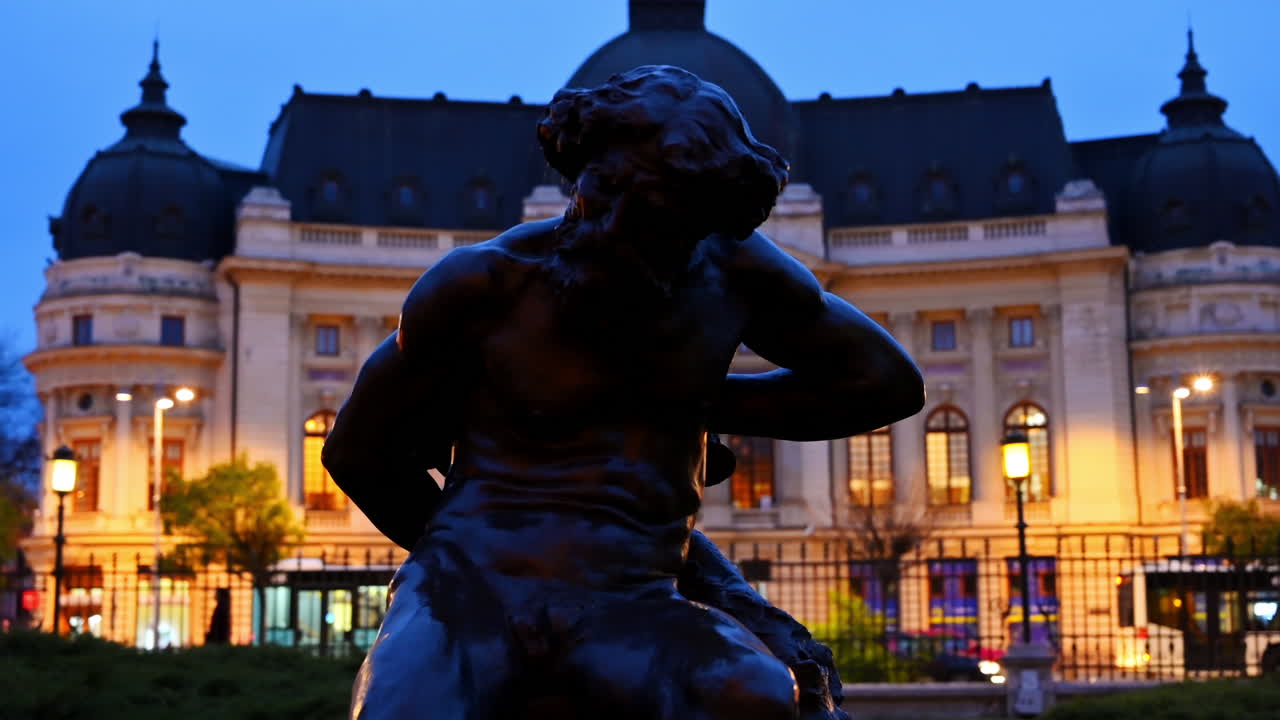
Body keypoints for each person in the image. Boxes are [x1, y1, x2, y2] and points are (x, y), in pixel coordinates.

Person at [323, 65, 924, 720]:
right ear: (580, 173)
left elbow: (884, 383)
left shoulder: (732, 274)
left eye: (650, 216)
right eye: (602, 192)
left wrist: (696, 399)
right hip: (467, 586)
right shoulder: (480, 285)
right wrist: (457, 560)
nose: (607, 226)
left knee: (753, 696)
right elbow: (358, 453)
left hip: (634, 599)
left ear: (702, 223)